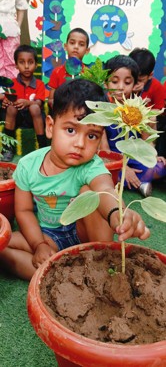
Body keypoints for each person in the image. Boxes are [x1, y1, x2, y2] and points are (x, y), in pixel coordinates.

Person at [0, 79, 150, 280]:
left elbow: (105, 189)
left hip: (86, 235)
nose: (80, 144)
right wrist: (39, 245)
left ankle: (100, 261)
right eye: (71, 130)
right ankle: (65, 275)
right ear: (51, 127)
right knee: (3, 244)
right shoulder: (27, 165)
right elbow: (24, 210)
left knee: (89, 193)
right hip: (49, 236)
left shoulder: (91, 165)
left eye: (92, 136)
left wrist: (117, 213)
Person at [101, 55, 166, 196]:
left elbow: (146, 141)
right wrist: (124, 168)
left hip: (135, 159)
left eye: (127, 82)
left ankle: (126, 182)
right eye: (114, 81)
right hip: (111, 160)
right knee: (101, 169)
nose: (120, 87)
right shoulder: (103, 112)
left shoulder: (137, 109)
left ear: (135, 84)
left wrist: (152, 156)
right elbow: (104, 150)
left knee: (161, 167)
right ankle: (139, 183)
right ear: (106, 84)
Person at [1, 44, 47, 162]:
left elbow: (39, 103)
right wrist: (6, 102)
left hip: (34, 119)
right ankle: (7, 148)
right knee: (11, 108)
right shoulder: (11, 83)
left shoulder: (39, 84)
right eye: (22, 62)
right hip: (17, 119)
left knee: (35, 107)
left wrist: (27, 102)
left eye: (30, 62)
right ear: (16, 65)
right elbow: (6, 98)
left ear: (36, 65)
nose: (26, 66)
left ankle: (43, 146)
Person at [129, 48, 166, 157]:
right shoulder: (126, 85)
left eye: (140, 80)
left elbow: (160, 110)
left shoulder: (157, 86)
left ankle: (148, 153)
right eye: (132, 79)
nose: (136, 83)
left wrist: (144, 110)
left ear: (150, 75)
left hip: (147, 125)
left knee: (152, 118)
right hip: (128, 122)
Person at [48, 27, 90, 110]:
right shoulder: (57, 71)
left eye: (81, 44)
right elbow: (51, 97)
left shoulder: (88, 73)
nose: (76, 47)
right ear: (65, 46)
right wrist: (53, 103)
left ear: (87, 51)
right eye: (72, 43)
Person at [0, 0, 28, 79]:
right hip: (9, 26)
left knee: (11, 60)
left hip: (9, 28)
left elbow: (22, 5)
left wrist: (18, 27)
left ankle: (11, 88)